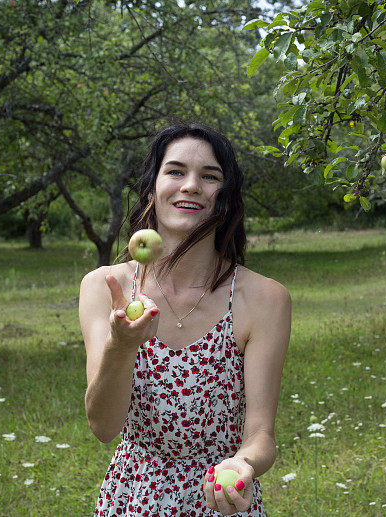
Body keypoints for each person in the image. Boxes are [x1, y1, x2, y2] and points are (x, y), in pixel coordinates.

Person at [79, 122, 292, 516]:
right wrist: (121, 346)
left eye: (209, 176)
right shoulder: (105, 287)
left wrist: (243, 464)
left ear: (224, 197)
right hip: (133, 498)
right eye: (176, 171)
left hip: (222, 498)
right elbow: (104, 427)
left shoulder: (264, 298)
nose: (191, 185)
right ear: (151, 188)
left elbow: (261, 434)